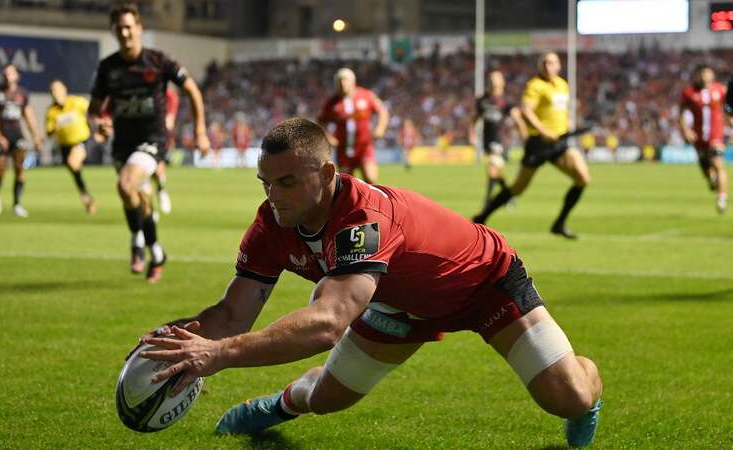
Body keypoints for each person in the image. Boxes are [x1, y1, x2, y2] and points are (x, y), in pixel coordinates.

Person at [137, 118, 604, 447]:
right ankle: (276, 407)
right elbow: (232, 314)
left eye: (286, 183)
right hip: (397, 302)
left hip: (484, 283)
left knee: (568, 398)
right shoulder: (270, 225)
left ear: (324, 174)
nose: (273, 197)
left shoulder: (364, 219)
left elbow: (327, 324)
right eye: (265, 183)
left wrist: (217, 355)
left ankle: (585, 387)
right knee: (327, 400)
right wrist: (180, 341)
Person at [89, 3, 210, 283]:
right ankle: (156, 252)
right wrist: (99, 123)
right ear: (114, 32)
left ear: (139, 29)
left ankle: (136, 241)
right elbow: (94, 109)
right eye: (119, 29)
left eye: (130, 27)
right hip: (122, 144)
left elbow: (192, 90)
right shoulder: (108, 68)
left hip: (152, 140)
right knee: (138, 199)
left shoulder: (158, 61)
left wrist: (200, 131)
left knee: (125, 185)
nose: (125, 33)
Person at [473, 53, 590, 240]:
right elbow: (526, 111)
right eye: (544, 62)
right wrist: (543, 131)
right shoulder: (535, 85)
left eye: (551, 62)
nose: (548, 65)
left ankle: (559, 223)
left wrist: (567, 126)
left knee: (583, 178)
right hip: (539, 143)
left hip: (560, 142)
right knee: (517, 188)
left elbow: (560, 112)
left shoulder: (563, 85)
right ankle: (481, 217)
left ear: (559, 65)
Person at [0, 64, 43, 218]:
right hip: (1, 137)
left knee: (20, 170)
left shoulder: (22, 94)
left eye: (10, 73)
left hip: (17, 137)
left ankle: (17, 204)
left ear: (17, 75)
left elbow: (29, 117)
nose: (7, 75)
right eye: (5, 73)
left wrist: (36, 136)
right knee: (0, 171)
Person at [318, 68, 389, 184]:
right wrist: (328, 138)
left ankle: (372, 202)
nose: (342, 83)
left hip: (364, 147)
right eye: (339, 81)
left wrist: (380, 128)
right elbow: (320, 122)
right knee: (348, 185)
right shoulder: (331, 103)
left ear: (353, 81)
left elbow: (382, 111)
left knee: (371, 179)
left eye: (345, 80)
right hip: (343, 149)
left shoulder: (366, 95)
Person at [470, 70, 527, 207]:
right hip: (487, 141)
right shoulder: (482, 100)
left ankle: (488, 201)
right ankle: (509, 196)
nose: (493, 81)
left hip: (502, 141)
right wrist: (471, 134)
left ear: (502, 82)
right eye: (491, 78)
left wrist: (525, 138)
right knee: (497, 173)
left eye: (496, 78)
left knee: (492, 170)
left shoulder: (507, 100)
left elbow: (518, 120)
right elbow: (475, 118)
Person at [679, 65, 729, 213]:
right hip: (699, 137)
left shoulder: (720, 90)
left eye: (707, 73)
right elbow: (682, 112)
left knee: (718, 163)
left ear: (712, 75)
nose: (704, 77)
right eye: (701, 74)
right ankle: (712, 180)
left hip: (717, 135)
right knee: (705, 168)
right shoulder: (689, 92)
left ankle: (722, 198)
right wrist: (686, 129)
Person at [45, 79, 96, 214]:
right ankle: (87, 197)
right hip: (65, 146)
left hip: (82, 141)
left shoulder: (76, 102)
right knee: (75, 173)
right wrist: (54, 128)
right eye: (52, 91)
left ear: (64, 90)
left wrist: (96, 126)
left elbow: (93, 110)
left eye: (57, 90)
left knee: (73, 162)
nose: (55, 93)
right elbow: (48, 132)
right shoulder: (52, 111)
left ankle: (87, 196)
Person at [153, 86, 179, 215]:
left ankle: (160, 189)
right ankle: (148, 214)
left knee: (157, 171)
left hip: (155, 133)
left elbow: (169, 121)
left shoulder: (169, 94)